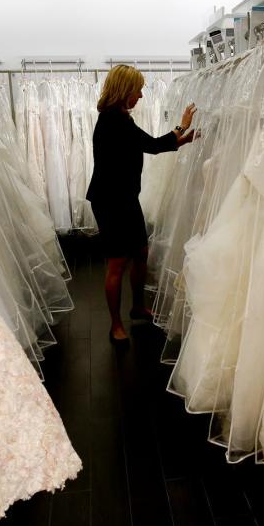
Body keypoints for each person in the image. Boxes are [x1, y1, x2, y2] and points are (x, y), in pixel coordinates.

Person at [87, 64, 196, 344]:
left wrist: (180, 142)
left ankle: (136, 306)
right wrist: (181, 126)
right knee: (117, 262)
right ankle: (115, 325)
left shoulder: (119, 117)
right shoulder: (114, 120)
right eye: (138, 90)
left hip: (124, 197)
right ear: (125, 90)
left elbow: (149, 145)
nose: (141, 96)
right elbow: (152, 143)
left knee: (140, 252)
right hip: (111, 201)